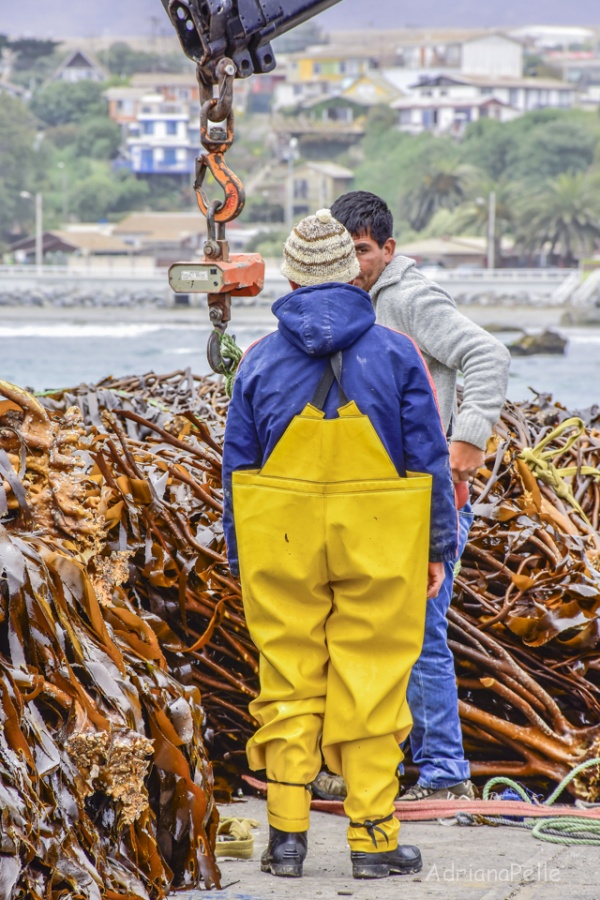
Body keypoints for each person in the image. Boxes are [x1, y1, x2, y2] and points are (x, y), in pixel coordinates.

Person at [222, 209, 458, 879]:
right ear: (353, 271)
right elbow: (429, 458)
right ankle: (373, 841)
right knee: (374, 681)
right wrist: (436, 548)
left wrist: (244, 556)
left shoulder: (261, 360)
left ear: (293, 277)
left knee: (288, 681)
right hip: (380, 536)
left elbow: (237, 469)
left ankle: (288, 840)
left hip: (282, 536)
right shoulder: (394, 351)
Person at [311, 190, 511, 803]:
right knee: (374, 631)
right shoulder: (358, 298)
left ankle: (446, 775)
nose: (357, 263)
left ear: (388, 250)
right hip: (385, 497)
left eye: (365, 252)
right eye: (348, 253)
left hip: (433, 496)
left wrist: (469, 439)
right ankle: (382, 764)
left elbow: (487, 353)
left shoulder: (408, 297)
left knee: (421, 632)